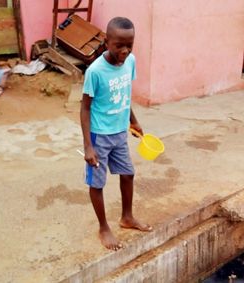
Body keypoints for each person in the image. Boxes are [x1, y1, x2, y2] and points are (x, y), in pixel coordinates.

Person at [80, 17, 152, 251]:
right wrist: (88, 145)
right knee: (97, 183)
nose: (125, 50)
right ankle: (103, 228)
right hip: (100, 135)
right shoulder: (95, 71)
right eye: (119, 45)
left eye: (129, 44)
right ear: (106, 41)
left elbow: (124, 94)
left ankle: (127, 217)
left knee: (128, 174)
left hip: (120, 131)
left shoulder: (130, 61)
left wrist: (134, 121)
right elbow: (85, 108)